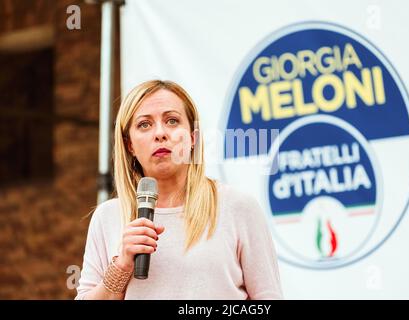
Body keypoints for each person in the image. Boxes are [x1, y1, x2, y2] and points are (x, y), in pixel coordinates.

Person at [75, 80, 283, 300]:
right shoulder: (108, 217)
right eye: (144, 124)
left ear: (193, 138)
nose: (160, 133)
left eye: (172, 121)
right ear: (130, 145)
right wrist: (121, 266)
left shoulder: (237, 206)